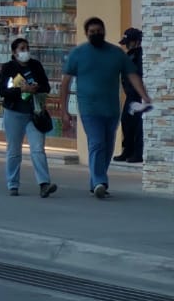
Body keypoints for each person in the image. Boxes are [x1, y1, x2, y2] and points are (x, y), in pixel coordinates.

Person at [59, 16, 152, 199]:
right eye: (92, 32)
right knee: (96, 143)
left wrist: (144, 96)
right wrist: (64, 111)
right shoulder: (78, 54)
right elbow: (65, 83)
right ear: (86, 34)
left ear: (104, 31)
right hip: (89, 108)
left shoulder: (116, 54)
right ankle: (100, 182)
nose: (96, 34)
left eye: (99, 31)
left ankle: (96, 180)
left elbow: (132, 75)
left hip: (111, 109)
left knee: (108, 147)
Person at [0, 37, 56, 198]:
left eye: (27, 48)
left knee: (37, 149)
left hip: (34, 113)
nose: (25, 51)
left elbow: (46, 86)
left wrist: (36, 88)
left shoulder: (35, 66)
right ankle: (13, 183)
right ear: (14, 52)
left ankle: (44, 184)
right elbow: (3, 91)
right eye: (22, 49)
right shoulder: (8, 68)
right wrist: (22, 90)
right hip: (14, 112)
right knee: (14, 150)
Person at [115, 27, 146, 164]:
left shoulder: (141, 55)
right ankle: (127, 150)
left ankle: (137, 153)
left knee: (138, 125)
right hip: (130, 94)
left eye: (129, 42)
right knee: (126, 121)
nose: (127, 45)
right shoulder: (129, 55)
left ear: (136, 41)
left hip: (138, 95)